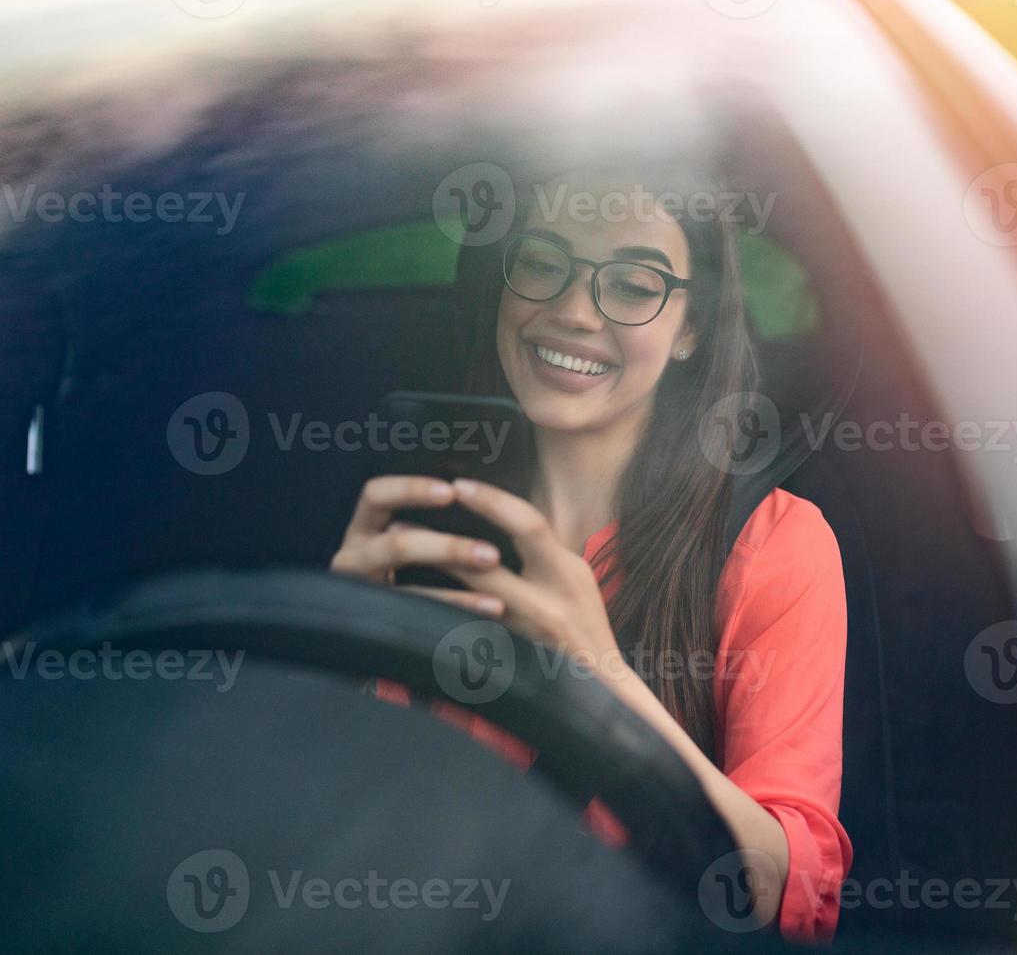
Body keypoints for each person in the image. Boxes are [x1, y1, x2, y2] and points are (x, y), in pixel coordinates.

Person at [329, 168, 851, 941]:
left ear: (692, 330)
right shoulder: (425, 527)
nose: (572, 311)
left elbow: (786, 891)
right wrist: (334, 650)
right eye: (543, 264)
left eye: (634, 285)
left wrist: (596, 669)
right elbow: (341, 840)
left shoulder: (775, 544)